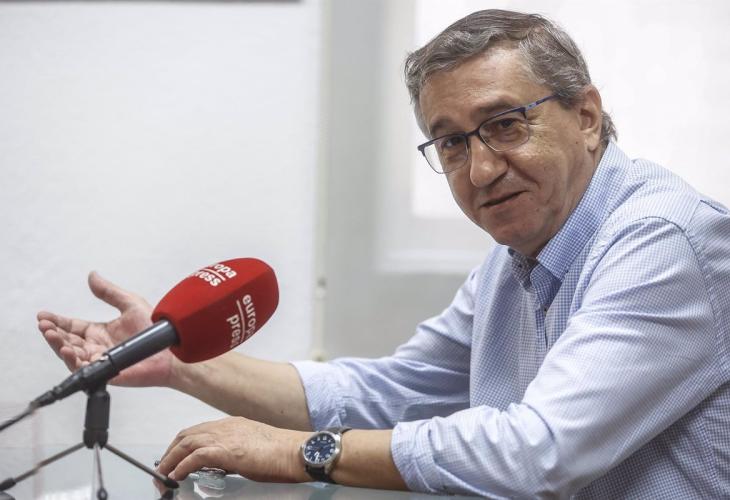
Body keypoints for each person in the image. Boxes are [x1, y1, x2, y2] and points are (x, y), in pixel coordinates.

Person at [37, 9, 730, 498]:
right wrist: (179, 362)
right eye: (452, 142)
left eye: (505, 125)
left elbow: (537, 452)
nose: (481, 170)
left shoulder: (661, 239)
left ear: (586, 116)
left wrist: (300, 453)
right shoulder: (516, 258)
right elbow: (389, 393)